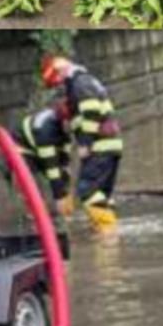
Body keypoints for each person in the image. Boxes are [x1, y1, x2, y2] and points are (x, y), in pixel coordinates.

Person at [40, 54, 122, 232]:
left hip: (99, 146)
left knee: (87, 191)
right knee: (101, 195)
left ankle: (109, 235)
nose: (58, 85)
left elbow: (91, 110)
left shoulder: (79, 83)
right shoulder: (85, 82)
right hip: (109, 146)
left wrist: (85, 143)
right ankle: (105, 231)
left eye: (57, 80)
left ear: (61, 71)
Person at [9, 104, 74, 217]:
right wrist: (59, 197)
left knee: (63, 175)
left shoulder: (65, 129)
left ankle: (64, 207)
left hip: (38, 142)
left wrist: (65, 168)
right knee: (28, 180)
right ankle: (37, 212)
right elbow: (52, 168)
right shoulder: (45, 132)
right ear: (63, 121)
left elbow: (64, 156)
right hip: (20, 144)